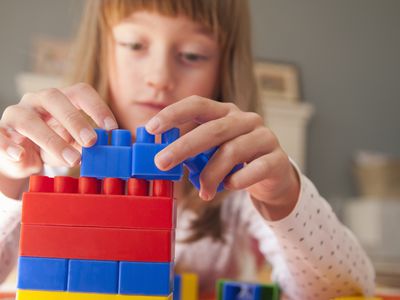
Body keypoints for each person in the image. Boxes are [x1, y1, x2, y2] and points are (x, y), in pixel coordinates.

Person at [0, 1, 374, 299]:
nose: (159, 78)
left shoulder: (240, 179)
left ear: (223, 69)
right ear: (103, 52)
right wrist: (8, 179)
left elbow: (347, 291)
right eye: (134, 45)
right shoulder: (50, 169)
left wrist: (284, 197)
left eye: (193, 54)